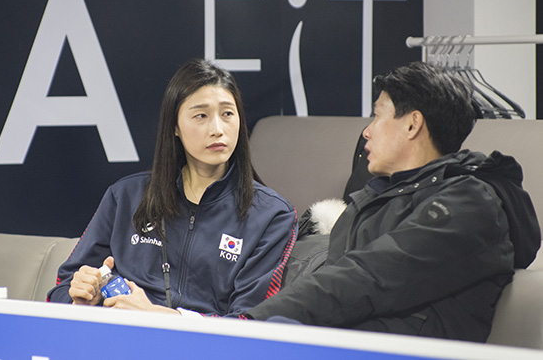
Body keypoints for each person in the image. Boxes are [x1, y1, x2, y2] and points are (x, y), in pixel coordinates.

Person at [245, 61, 540, 342]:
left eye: (377, 116)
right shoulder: (380, 196)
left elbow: (369, 276)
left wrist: (250, 324)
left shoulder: (470, 203)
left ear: (412, 125)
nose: (367, 131)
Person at [47, 58, 298, 318]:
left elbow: (250, 321)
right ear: (175, 127)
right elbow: (60, 290)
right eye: (201, 116)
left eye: (227, 114)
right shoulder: (125, 197)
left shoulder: (272, 216)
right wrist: (83, 298)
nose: (217, 129)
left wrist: (162, 317)